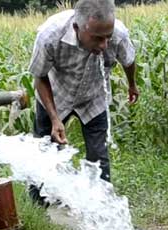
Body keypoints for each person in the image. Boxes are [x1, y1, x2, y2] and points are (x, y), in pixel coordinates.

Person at [29, 0, 137, 188]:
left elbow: (128, 61)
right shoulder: (50, 35)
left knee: (99, 157)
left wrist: (132, 85)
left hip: (93, 97)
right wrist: (55, 119)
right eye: (97, 38)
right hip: (56, 95)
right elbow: (40, 76)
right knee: (44, 151)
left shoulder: (118, 34)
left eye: (107, 38)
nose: (104, 45)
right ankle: (40, 205)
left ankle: (101, 203)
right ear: (77, 27)